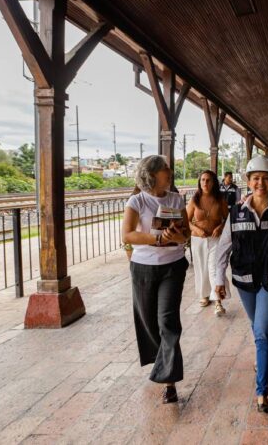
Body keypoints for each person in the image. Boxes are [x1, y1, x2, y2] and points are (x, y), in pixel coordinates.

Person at [214, 155, 268, 413]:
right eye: (255, 178)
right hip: (244, 281)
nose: (260, 182)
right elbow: (223, 248)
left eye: (266, 178)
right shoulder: (235, 213)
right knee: (256, 326)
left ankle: (262, 392)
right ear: (248, 182)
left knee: (262, 332)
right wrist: (219, 279)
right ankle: (264, 357)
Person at [121, 155, 191, 404]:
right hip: (143, 268)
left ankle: (169, 380)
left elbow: (186, 236)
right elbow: (127, 235)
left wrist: (176, 234)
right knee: (148, 320)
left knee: (167, 320)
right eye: (165, 169)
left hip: (172, 266)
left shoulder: (175, 198)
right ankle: (161, 362)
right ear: (152, 174)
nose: (169, 172)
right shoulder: (137, 201)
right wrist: (158, 238)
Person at [187, 170, 230, 316]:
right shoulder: (194, 200)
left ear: (214, 183)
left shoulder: (220, 199)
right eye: (203, 180)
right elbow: (185, 221)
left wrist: (220, 227)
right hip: (198, 240)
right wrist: (196, 230)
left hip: (215, 239)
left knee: (213, 267)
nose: (205, 183)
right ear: (199, 182)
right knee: (201, 268)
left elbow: (227, 219)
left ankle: (218, 301)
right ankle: (204, 294)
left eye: (208, 180)